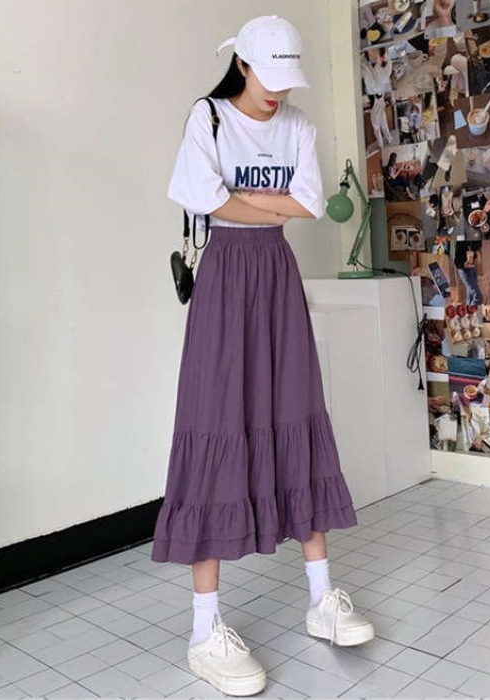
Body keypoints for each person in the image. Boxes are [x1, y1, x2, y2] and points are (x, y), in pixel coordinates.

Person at [152, 16, 374, 697]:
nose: (278, 92)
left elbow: (309, 204)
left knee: (296, 413)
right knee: (216, 423)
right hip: (223, 277)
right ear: (243, 65)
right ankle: (204, 631)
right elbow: (204, 198)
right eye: (268, 76)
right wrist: (267, 207)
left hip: (276, 276)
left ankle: (322, 597)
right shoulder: (210, 117)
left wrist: (242, 201)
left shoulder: (298, 126)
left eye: (287, 79)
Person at [453, 240, 483, 305]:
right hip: (464, 269)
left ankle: (468, 310)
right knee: (477, 296)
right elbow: (456, 259)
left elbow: (477, 245)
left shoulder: (474, 240)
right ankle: (472, 309)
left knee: (470, 296)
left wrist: (477, 255)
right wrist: (462, 264)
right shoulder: (459, 242)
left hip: (472, 267)